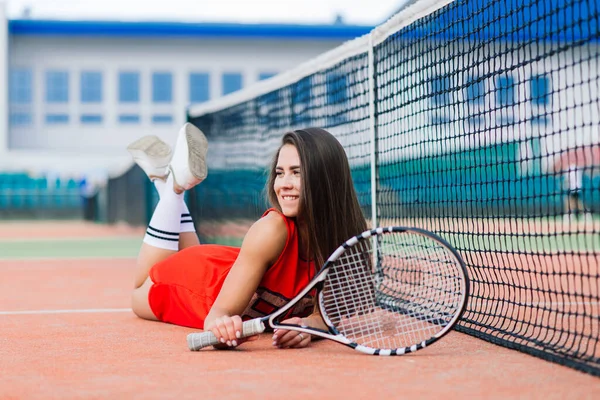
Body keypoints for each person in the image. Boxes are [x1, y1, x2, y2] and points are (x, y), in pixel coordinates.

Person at [127, 123, 367, 349]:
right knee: (138, 294)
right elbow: (216, 318)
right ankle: (173, 188)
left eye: (296, 173)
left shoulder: (345, 241)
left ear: (325, 179)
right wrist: (223, 329)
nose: (283, 184)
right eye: (280, 173)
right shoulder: (272, 230)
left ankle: (165, 179)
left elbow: (322, 316)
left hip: (217, 270)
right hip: (190, 286)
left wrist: (308, 326)